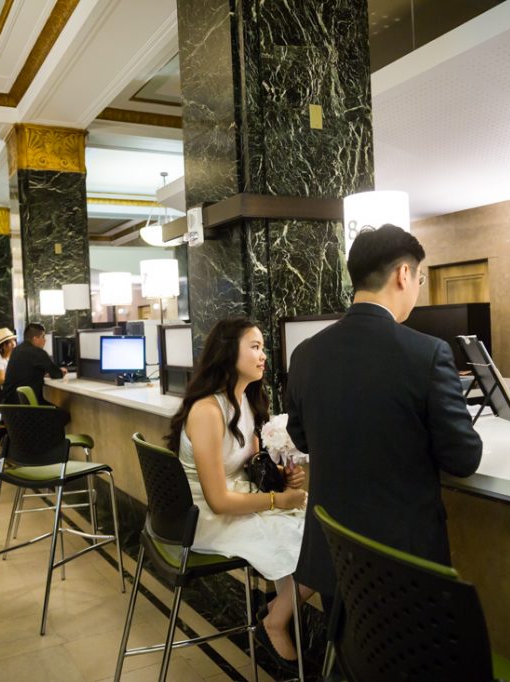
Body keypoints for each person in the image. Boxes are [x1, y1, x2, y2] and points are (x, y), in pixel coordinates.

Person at [286, 225, 483, 602]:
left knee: (354, 654)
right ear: (403, 274)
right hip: (404, 566)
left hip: (336, 557)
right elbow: (463, 458)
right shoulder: (427, 353)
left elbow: (303, 438)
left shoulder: (306, 353)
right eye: (420, 278)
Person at [166, 317, 309, 669]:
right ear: (229, 352)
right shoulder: (206, 411)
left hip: (233, 501)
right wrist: (280, 500)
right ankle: (276, 621)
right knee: (312, 539)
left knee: (315, 525)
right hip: (205, 517)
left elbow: (250, 466)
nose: (264, 356)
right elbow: (218, 499)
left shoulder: (245, 401)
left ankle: (279, 612)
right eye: (255, 347)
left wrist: (281, 477)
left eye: (263, 348)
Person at [2, 323, 65, 405]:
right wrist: (61, 371)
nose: (45, 340)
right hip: (29, 409)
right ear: (35, 338)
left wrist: (42, 374)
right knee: (65, 415)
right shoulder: (38, 353)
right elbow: (57, 374)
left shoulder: (16, 351)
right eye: (43, 337)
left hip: (10, 407)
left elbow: (26, 372)